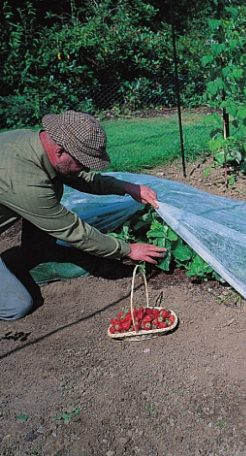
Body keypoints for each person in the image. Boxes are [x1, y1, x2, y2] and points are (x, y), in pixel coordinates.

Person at [0, 110, 166, 320]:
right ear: (60, 151)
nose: (86, 167)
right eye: (83, 161)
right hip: (23, 190)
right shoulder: (27, 182)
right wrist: (127, 249)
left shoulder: (35, 144)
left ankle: (39, 258)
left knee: (51, 188)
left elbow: (82, 177)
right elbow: (73, 230)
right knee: (16, 306)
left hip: (21, 191)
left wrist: (126, 187)